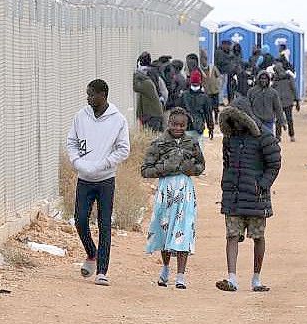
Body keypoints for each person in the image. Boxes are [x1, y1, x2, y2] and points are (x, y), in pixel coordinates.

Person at [66, 79, 131, 286]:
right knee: (80, 219)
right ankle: (91, 253)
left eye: (92, 94)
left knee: (104, 223)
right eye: (87, 94)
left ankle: (102, 271)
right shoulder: (81, 116)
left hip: (105, 180)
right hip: (84, 178)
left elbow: (123, 149)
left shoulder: (118, 120)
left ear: (103, 95)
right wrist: (77, 162)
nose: (88, 98)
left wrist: (104, 164)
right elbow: (72, 142)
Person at [216, 101, 282, 292]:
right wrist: (225, 183)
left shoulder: (264, 137)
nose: (234, 125)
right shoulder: (229, 138)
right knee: (232, 236)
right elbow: (226, 162)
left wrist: (262, 185)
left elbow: (274, 164)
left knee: (258, 236)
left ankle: (256, 279)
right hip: (233, 196)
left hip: (256, 198)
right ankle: (232, 279)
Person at [141, 108, 205, 289]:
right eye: (175, 124)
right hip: (165, 191)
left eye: (182, 125)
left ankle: (181, 276)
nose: (178, 128)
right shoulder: (159, 143)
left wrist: (190, 168)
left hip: (185, 191)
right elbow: (145, 170)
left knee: (183, 229)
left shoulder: (192, 143)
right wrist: (165, 168)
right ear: (168, 124)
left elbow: (201, 165)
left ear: (186, 126)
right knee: (165, 229)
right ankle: (166, 268)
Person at [177, 70, 215, 145]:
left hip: (186, 127)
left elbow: (178, 112)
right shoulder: (205, 97)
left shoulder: (184, 95)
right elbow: (208, 114)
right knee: (198, 151)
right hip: (199, 128)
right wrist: (210, 128)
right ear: (200, 81)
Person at [247, 71, 285, 136]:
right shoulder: (252, 92)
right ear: (258, 79)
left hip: (268, 122)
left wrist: (282, 122)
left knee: (268, 140)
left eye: (265, 79)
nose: (263, 80)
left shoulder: (273, 92)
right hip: (255, 122)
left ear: (268, 80)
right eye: (261, 78)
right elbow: (247, 106)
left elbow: (278, 108)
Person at [272, 62, 300, 142]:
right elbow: (294, 89)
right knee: (287, 119)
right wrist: (297, 101)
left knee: (280, 120)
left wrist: (297, 101)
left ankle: (279, 136)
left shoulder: (278, 78)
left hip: (282, 102)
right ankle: (290, 135)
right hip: (285, 102)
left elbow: (294, 89)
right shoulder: (286, 77)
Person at [134, 66, 165, 132]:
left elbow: (136, 87)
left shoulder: (147, 83)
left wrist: (135, 76)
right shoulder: (148, 83)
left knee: (152, 134)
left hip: (153, 116)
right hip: (153, 115)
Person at [200, 53, 222, 126]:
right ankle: (209, 120)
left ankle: (216, 119)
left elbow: (219, 77)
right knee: (208, 108)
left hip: (215, 91)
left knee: (216, 107)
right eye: (202, 60)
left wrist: (218, 86)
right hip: (207, 92)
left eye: (205, 60)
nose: (204, 61)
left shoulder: (213, 67)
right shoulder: (200, 70)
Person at [214, 40, 234, 104]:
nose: (229, 47)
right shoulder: (219, 52)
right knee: (220, 87)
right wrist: (228, 59)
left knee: (223, 87)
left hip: (224, 72)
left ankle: (221, 100)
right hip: (221, 72)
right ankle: (219, 101)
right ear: (224, 45)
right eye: (228, 45)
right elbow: (220, 61)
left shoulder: (223, 52)